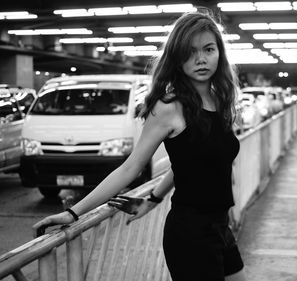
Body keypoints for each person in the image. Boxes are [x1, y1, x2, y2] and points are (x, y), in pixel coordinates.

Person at [33, 9, 247, 281]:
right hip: (191, 236)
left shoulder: (220, 102)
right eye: (190, 52)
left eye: (208, 49)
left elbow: (192, 163)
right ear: (176, 58)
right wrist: (73, 212)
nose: (201, 59)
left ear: (220, 52)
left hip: (221, 227)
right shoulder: (169, 107)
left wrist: (154, 198)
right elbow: (130, 167)